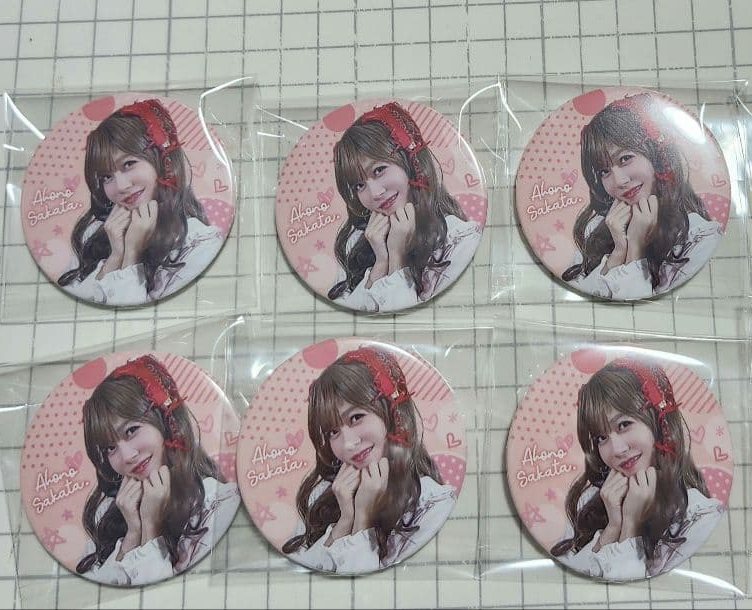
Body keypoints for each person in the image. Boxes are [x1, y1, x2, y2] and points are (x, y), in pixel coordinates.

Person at [282, 346, 456, 574]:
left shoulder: (433, 504)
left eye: (356, 417)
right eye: (333, 432)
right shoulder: (323, 495)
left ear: (392, 412)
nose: (348, 443)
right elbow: (304, 577)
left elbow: (373, 587)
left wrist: (363, 519)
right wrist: (346, 520)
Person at [550, 358, 723, 580]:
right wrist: (614, 527)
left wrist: (631, 525)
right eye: (601, 438)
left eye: (624, 425)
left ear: (659, 420)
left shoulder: (700, 518)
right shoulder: (590, 502)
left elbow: (638, 592)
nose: (617, 449)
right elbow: (569, 581)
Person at [76, 355, 239, 585]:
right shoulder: (107, 516)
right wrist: (133, 533)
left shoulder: (219, 504)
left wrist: (151, 528)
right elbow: (97, 596)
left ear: (165, 420)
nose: (127, 456)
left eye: (131, 430)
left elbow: (172, 598)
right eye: (110, 448)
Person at [58, 99, 224, 306]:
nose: (121, 186)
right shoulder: (94, 234)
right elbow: (72, 307)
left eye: (129, 164)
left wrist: (132, 253)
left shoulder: (199, 244)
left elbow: (139, 318)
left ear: (163, 160)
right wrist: (116, 256)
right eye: (106, 177)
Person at [562, 93, 723, 300]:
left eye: (625, 158)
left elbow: (642, 311)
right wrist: (619, 251)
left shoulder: (700, 238)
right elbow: (585, 303)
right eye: (604, 171)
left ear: (656, 155)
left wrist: (636, 247)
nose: (619, 181)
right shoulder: (598, 230)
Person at [328, 103, 481, 312]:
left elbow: (410, 322)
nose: (375, 193)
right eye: (359, 185)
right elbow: (349, 321)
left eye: (379, 170)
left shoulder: (459, 241)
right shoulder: (357, 243)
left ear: (411, 160)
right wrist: (381, 262)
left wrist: (397, 259)